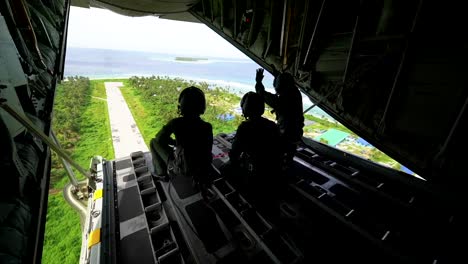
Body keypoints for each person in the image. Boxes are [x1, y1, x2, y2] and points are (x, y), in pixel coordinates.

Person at [228, 92, 282, 221]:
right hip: (273, 173)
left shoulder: (245, 127)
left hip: (255, 175)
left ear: (245, 108)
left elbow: (234, 154)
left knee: (226, 169)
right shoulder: (272, 125)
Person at [150, 86, 213, 188]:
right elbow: (207, 152)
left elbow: (159, 139)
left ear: (181, 107)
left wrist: (175, 143)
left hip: (183, 169)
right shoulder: (207, 127)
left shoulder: (176, 123)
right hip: (201, 169)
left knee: (153, 142)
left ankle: (161, 174)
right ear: (202, 108)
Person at [255, 68, 304, 165]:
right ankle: (287, 165)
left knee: (277, 155)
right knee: (289, 155)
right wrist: (278, 76)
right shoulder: (296, 93)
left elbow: (262, 93)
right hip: (296, 132)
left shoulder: (281, 101)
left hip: (285, 134)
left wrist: (259, 82)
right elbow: (287, 83)